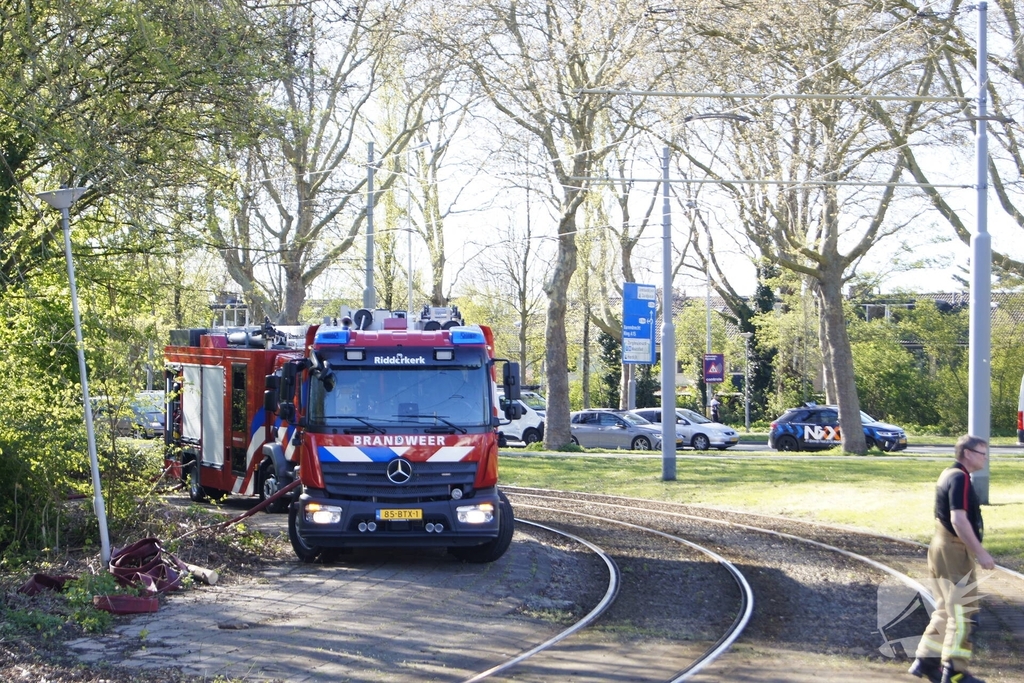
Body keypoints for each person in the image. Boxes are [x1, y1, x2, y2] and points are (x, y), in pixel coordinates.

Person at [909, 434, 995, 683]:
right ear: (967, 453)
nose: (985, 457)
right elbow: (958, 519)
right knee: (963, 612)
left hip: (940, 546)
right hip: (954, 549)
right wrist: (980, 552)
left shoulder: (948, 474)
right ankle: (955, 671)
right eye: (981, 452)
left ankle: (926, 660)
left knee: (945, 610)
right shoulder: (960, 478)